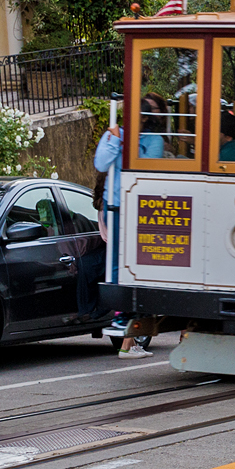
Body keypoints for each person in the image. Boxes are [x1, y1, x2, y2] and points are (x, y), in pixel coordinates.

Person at [93, 123, 153, 359]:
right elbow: (101, 163)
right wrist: (116, 140)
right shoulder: (113, 135)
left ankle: (129, 342)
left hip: (137, 205)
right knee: (120, 267)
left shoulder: (150, 139)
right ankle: (124, 329)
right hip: (120, 206)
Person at [138, 94, 168, 159]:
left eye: (151, 108)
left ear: (162, 111)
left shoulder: (156, 138)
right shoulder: (121, 133)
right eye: (145, 107)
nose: (148, 111)